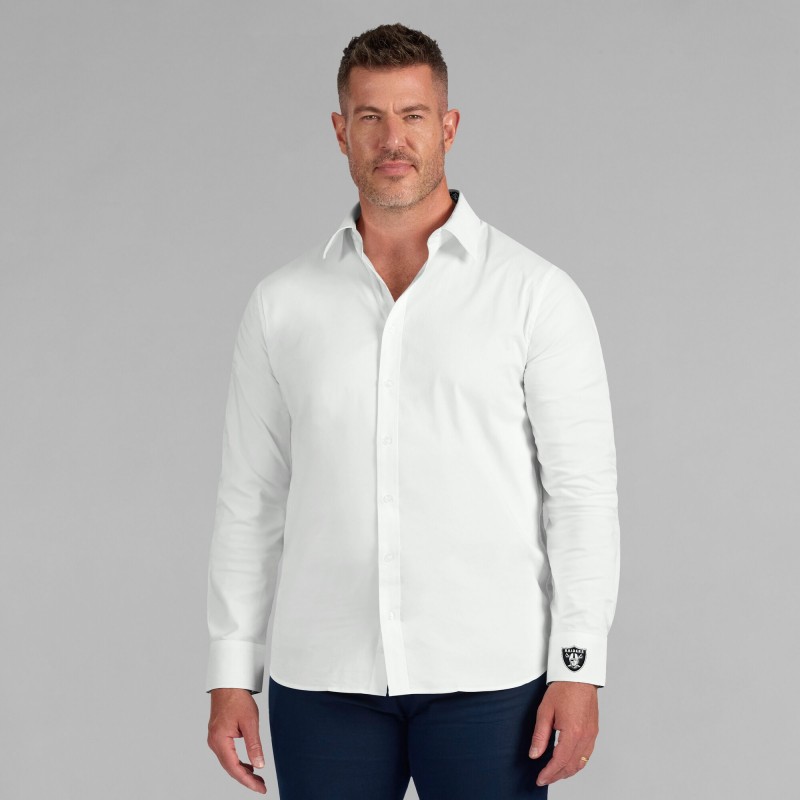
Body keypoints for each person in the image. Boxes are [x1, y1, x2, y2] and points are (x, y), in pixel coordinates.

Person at [205, 22, 620, 799]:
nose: (392, 139)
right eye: (370, 117)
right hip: (323, 681)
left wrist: (579, 665)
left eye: (413, 115)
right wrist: (231, 672)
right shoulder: (282, 305)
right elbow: (249, 497)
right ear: (341, 132)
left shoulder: (535, 295)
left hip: (492, 679)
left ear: (448, 127)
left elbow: (582, 494)